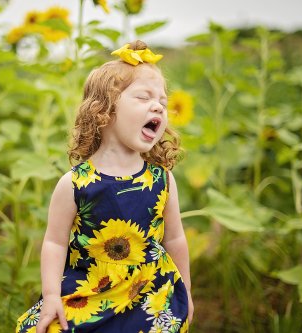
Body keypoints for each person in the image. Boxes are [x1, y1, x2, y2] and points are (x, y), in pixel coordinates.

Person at [16, 40, 193, 333]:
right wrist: (50, 296)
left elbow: (174, 240)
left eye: (162, 102)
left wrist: (186, 291)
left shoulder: (162, 181)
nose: (158, 107)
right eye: (144, 97)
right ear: (105, 109)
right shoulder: (75, 183)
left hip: (150, 291)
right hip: (89, 288)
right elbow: (54, 242)